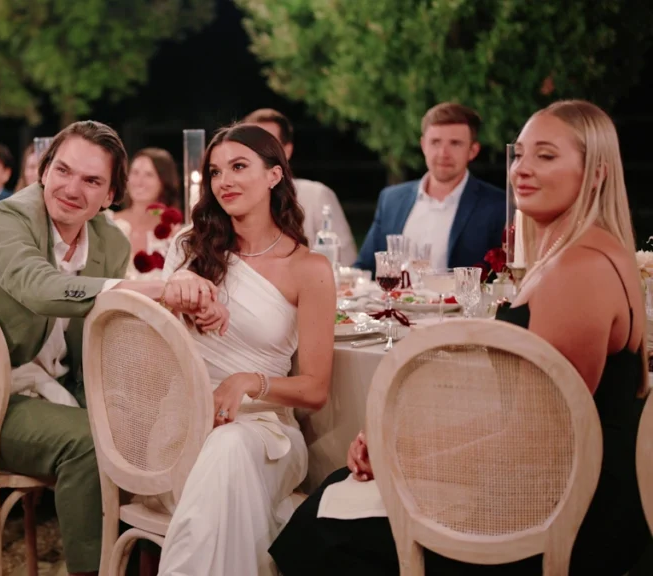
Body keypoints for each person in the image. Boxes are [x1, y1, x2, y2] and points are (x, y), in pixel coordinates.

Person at [272, 100, 651, 575]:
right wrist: (399, 442)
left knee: (324, 526)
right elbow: (528, 421)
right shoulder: (580, 253)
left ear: (595, 173)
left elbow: (539, 435)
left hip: (566, 516)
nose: (522, 170)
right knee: (334, 494)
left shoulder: (579, 270)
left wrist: (399, 454)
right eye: (520, 155)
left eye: (546, 156)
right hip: (553, 483)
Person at [0, 120, 218, 576]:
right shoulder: (5, 219)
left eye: (92, 180)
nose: (71, 188)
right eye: (63, 170)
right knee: (93, 444)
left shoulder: (110, 241)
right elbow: (40, 288)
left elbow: (106, 332)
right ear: (43, 171)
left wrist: (187, 302)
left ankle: (154, 560)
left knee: (157, 423)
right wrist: (157, 289)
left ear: (112, 194)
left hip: (59, 387)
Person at [154, 124, 334, 576]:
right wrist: (176, 292)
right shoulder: (189, 252)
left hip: (266, 431)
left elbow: (315, 390)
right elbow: (154, 342)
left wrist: (250, 382)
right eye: (215, 172)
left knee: (232, 446)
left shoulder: (309, 269)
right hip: (185, 427)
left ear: (275, 176)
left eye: (239, 167)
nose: (224, 181)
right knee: (224, 460)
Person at [354, 102, 505, 274]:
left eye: (455, 143)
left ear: (473, 151)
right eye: (435, 142)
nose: (443, 153)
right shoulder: (391, 199)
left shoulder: (497, 206)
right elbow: (365, 267)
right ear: (423, 145)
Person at [244, 108, 357, 266]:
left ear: (287, 151)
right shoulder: (232, 199)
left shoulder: (316, 196)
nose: (257, 154)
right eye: (250, 146)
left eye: (267, 146)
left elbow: (346, 263)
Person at [112, 148, 181, 256]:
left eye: (149, 175)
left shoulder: (174, 231)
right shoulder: (110, 222)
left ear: (164, 181)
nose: (139, 182)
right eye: (135, 172)